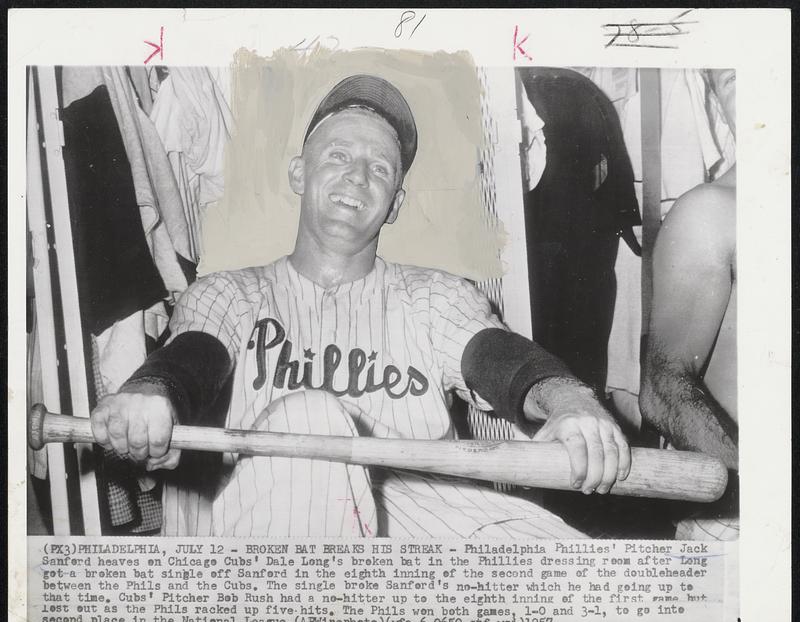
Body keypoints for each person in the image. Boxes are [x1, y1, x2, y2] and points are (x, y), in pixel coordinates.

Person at [90, 74, 630, 538]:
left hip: (416, 522)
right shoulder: (226, 292)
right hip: (262, 532)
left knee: (582, 573)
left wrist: (569, 401)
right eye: (339, 155)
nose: (357, 175)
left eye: (380, 168)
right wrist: (151, 391)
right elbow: (192, 355)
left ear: (394, 204)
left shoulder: (435, 295)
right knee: (311, 417)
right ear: (299, 173)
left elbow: (497, 357)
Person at [640, 68, 738, 539]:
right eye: (736, 80)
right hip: (741, 515)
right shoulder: (711, 213)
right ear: (717, 108)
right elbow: (663, 388)